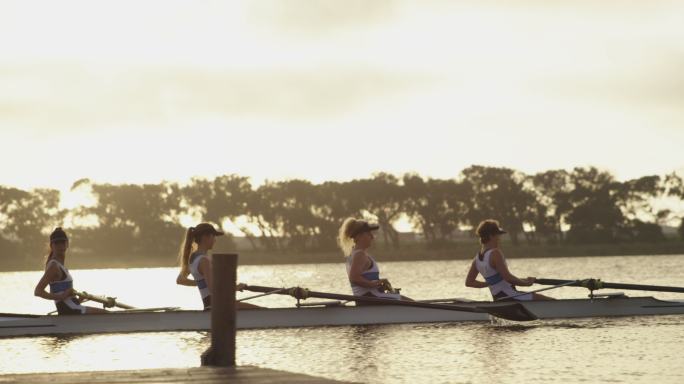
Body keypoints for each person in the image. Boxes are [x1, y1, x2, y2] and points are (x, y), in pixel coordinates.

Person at [176, 222, 258, 310]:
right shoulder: (204, 261)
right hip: (221, 307)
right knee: (262, 310)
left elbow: (180, 280)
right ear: (205, 237)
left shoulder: (192, 259)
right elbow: (215, 291)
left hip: (209, 306)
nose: (215, 240)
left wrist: (202, 283)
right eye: (213, 236)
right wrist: (236, 288)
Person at [465, 219, 553, 301]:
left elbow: (469, 282)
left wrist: (489, 283)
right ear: (491, 236)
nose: (499, 239)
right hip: (511, 296)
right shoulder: (495, 253)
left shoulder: (477, 259)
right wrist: (527, 284)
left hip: (498, 299)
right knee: (551, 301)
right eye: (498, 235)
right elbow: (508, 278)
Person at [34, 227, 108, 314]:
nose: (60, 246)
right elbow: (38, 291)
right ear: (51, 246)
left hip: (72, 308)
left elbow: (66, 299)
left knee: (106, 313)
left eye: (62, 242)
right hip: (71, 311)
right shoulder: (54, 266)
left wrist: (78, 300)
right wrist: (61, 296)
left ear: (67, 244)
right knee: (106, 313)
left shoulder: (61, 266)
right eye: (57, 243)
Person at [338, 218, 411, 304]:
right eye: (368, 234)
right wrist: (376, 283)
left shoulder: (354, 254)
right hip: (370, 300)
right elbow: (354, 278)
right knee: (414, 305)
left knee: (408, 301)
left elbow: (362, 280)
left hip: (370, 298)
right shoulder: (359, 255)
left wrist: (379, 284)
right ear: (359, 236)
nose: (372, 237)